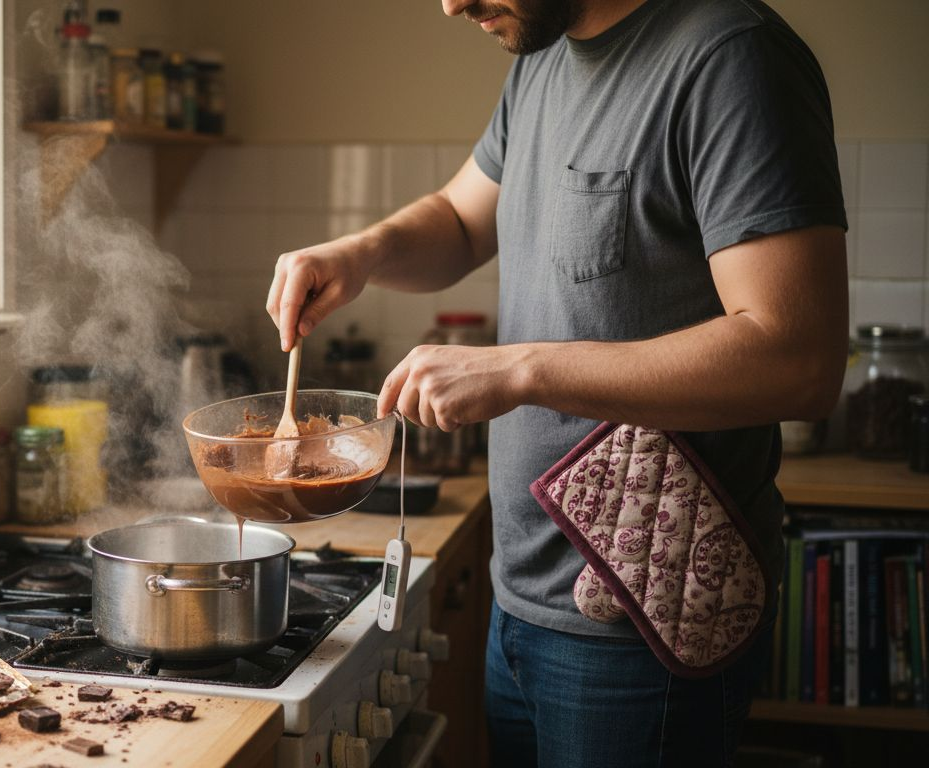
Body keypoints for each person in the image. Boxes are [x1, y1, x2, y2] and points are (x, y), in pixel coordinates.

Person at [265, 0, 848, 766]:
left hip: (641, 625)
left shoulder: (730, 58)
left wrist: (520, 368)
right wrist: (362, 252)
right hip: (521, 603)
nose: (451, 4)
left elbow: (797, 357)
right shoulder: (539, 49)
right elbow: (462, 220)